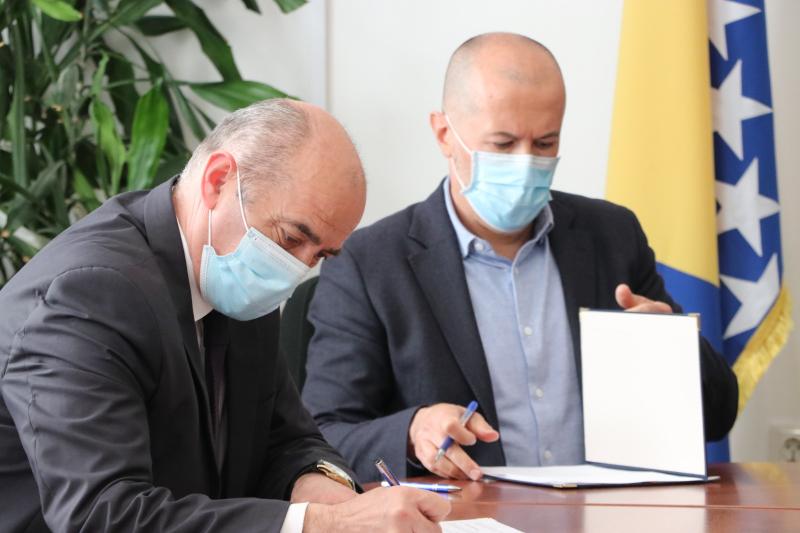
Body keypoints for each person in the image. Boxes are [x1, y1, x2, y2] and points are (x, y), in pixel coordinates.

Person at [301, 33, 739, 483]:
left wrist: (675, 352)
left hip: (606, 509)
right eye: (503, 144)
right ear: (445, 134)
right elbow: (323, 436)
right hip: (468, 513)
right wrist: (412, 432)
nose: (527, 162)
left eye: (545, 143)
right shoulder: (369, 264)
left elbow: (719, 416)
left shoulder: (612, 235)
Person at [0, 99, 450, 532]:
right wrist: (319, 525)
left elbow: (288, 440)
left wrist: (323, 490)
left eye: (320, 255)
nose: (297, 269)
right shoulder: (88, 294)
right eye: (292, 239)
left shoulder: (231, 276)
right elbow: (103, 516)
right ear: (217, 181)